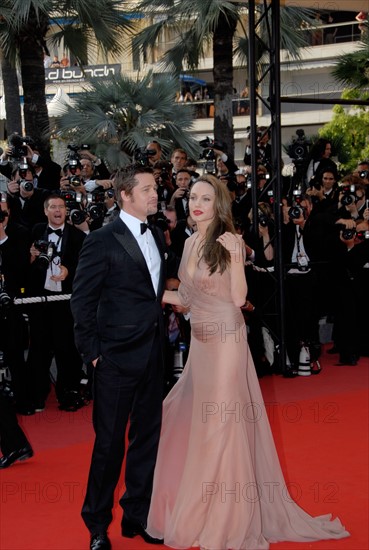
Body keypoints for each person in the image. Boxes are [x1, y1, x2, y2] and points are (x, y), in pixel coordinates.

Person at [146, 174, 349, 549]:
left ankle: (226, 517)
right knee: (189, 415)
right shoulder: (190, 243)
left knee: (222, 423)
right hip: (202, 342)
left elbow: (239, 296)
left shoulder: (231, 241)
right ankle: (205, 506)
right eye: (193, 197)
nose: (197, 204)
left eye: (206, 198)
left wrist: (238, 254)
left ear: (218, 204)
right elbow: (186, 299)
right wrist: (142, 292)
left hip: (226, 339)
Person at [70, 164, 173, 550]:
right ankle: (96, 525)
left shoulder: (158, 234)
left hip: (152, 356)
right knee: (109, 446)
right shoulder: (102, 239)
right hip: (114, 360)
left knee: (147, 440)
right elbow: (82, 300)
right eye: (146, 189)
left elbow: (152, 293)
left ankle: (137, 516)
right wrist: (93, 355)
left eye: (154, 188)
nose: (154, 194)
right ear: (125, 195)